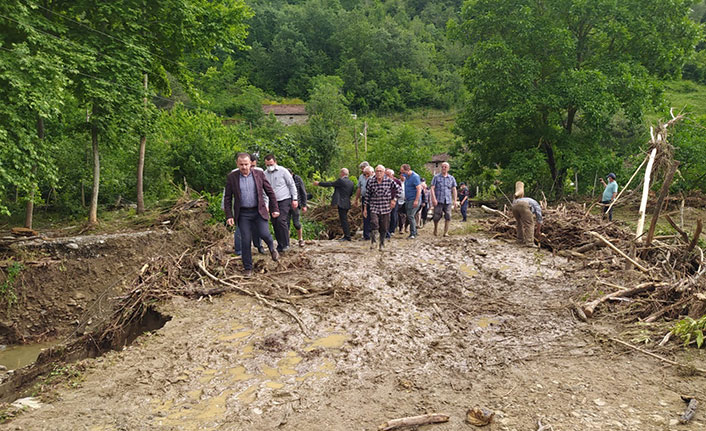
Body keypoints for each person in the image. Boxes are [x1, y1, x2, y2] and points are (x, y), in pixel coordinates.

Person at [224, 153, 280, 277]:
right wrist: (229, 215)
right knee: (245, 240)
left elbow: (270, 192)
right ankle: (248, 268)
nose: (244, 167)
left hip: (258, 211)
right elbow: (227, 198)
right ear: (237, 164)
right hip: (243, 213)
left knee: (264, 233)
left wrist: (274, 208)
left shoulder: (259, 174)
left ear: (251, 164)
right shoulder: (232, 177)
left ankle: (272, 248)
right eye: (241, 164)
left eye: (246, 164)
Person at [263, 154, 298, 253]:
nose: (269, 166)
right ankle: (280, 244)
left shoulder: (283, 171)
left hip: (284, 199)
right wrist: (266, 204)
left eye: (271, 164)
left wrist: (294, 199)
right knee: (274, 222)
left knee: (281, 220)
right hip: (272, 201)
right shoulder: (265, 174)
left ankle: (286, 243)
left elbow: (291, 185)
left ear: (275, 162)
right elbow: (264, 191)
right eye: (267, 164)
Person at [314, 168, 356, 241]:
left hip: (341, 203)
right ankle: (347, 235)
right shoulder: (351, 183)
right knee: (344, 219)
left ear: (342, 173)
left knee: (343, 220)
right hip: (347, 202)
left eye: (340, 173)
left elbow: (330, 184)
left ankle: (347, 236)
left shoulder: (341, 181)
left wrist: (319, 183)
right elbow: (351, 194)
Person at [364, 165, 398, 250]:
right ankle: (373, 241)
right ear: (375, 172)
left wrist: (394, 200)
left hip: (385, 207)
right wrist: (365, 208)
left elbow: (398, 190)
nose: (378, 173)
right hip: (374, 206)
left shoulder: (389, 181)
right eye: (377, 171)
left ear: (384, 173)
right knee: (374, 223)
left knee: (384, 227)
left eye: (380, 171)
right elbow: (367, 195)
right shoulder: (371, 181)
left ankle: (382, 243)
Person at [511, 181, 543, 247]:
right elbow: (539, 219)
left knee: (519, 223)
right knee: (530, 224)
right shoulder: (537, 205)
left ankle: (520, 240)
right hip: (524, 205)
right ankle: (529, 243)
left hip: (514, 205)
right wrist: (538, 231)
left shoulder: (526, 199)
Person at [431, 162, 458, 237]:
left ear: (448, 168)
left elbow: (454, 189)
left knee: (448, 216)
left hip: (448, 200)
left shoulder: (451, 178)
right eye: (442, 166)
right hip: (439, 200)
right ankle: (435, 229)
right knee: (437, 216)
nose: (444, 168)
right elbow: (432, 188)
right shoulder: (436, 177)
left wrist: (455, 201)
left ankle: (446, 232)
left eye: (445, 167)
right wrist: (433, 198)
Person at [400, 164, 422, 239]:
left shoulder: (415, 177)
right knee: (409, 215)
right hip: (408, 199)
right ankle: (415, 231)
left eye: (403, 171)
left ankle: (413, 233)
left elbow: (419, 189)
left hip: (414, 199)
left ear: (407, 170)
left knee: (411, 216)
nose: (402, 173)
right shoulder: (406, 177)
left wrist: (416, 200)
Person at [288, 168, 308, 247]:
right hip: (285, 204)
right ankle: (287, 241)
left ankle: (300, 239)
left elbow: (303, 192)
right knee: (286, 224)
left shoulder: (297, 179)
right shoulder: (283, 179)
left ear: (292, 174)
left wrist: (304, 205)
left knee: (296, 223)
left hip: (296, 204)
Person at [355, 163, 373, 240]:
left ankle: (374, 233)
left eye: (363, 168)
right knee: (365, 216)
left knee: (374, 216)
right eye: (361, 168)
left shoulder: (374, 177)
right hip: (364, 198)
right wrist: (356, 199)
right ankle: (366, 235)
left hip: (373, 199)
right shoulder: (361, 177)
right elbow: (359, 188)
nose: (362, 170)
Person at [385, 168, 402, 238]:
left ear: (392, 175)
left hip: (394, 199)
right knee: (386, 215)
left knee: (393, 215)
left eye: (388, 175)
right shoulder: (384, 181)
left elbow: (399, 191)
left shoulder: (397, 181)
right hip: (386, 200)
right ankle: (386, 230)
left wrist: (394, 199)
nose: (387, 176)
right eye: (386, 175)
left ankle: (392, 230)